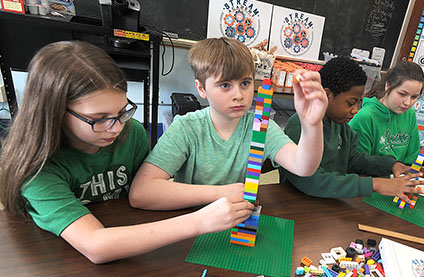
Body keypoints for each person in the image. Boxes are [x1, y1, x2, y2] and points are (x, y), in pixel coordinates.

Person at [0, 41, 254, 264]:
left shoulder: (130, 133)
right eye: (99, 118)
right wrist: (200, 222)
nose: (117, 127)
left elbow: (144, 194)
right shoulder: (38, 169)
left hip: (135, 244)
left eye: (122, 111)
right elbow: (95, 245)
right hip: (64, 261)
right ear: (54, 112)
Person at [128, 37, 327, 210]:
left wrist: (312, 124)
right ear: (201, 88)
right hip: (192, 223)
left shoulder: (260, 126)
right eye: (225, 85)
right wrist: (220, 194)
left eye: (245, 83)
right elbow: (141, 192)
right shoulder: (186, 128)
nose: (238, 95)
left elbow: (303, 167)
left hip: (237, 224)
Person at [280, 56, 424, 201]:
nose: (355, 110)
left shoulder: (342, 127)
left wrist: (391, 165)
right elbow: (312, 181)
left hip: (329, 203)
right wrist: (375, 184)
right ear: (326, 95)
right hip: (297, 204)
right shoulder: (299, 127)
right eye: (350, 103)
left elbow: (354, 159)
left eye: (358, 103)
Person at [349, 60, 424, 169]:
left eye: (414, 97)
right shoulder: (365, 117)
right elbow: (357, 164)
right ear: (388, 85)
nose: (408, 103)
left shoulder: (410, 114)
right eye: (402, 94)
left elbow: (412, 156)